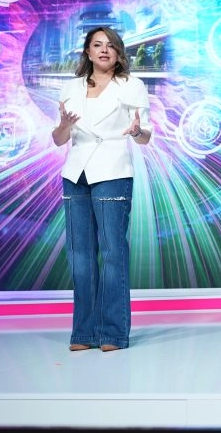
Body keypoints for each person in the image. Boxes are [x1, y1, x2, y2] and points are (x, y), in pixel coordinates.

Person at [52, 26, 152, 352]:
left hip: (112, 170)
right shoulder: (71, 87)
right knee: (80, 256)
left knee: (112, 253)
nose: (104, 50)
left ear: (119, 51)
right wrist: (64, 125)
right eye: (97, 45)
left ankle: (113, 333)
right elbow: (59, 139)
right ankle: (84, 333)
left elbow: (145, 135)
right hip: (76, 173)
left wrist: (136, 132)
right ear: (88, 51)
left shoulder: (132, 85)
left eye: (110, 45)